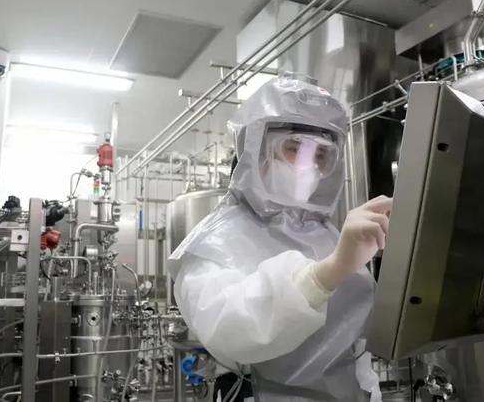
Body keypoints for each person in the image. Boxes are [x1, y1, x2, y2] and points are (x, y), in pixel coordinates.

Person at [167, 73, 392, 402]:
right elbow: (231, 330)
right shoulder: (216, 241)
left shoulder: (327, 235)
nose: (309, 167)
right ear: (255, 148)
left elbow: (356, 354)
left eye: (321, 155)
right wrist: (327, 272)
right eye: (295, 149)